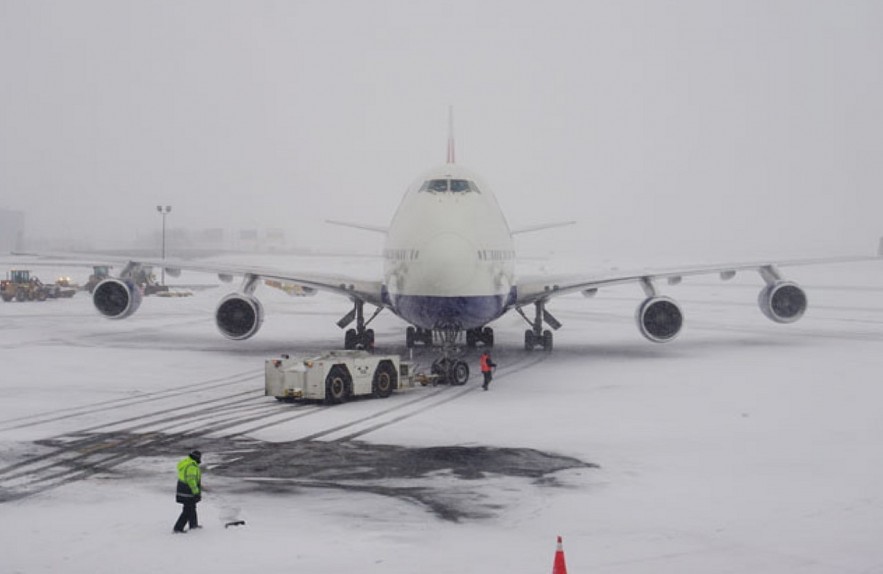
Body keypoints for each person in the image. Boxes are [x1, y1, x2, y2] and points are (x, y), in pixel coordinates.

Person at [173, 449, 202, 533]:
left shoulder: (186, 462)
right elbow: (191, 480)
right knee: (188, 510)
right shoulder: (192, 466)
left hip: (182, 489)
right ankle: (178, 528)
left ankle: (193, 525)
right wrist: (196, 492)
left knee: (191, 508)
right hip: (188, 491)